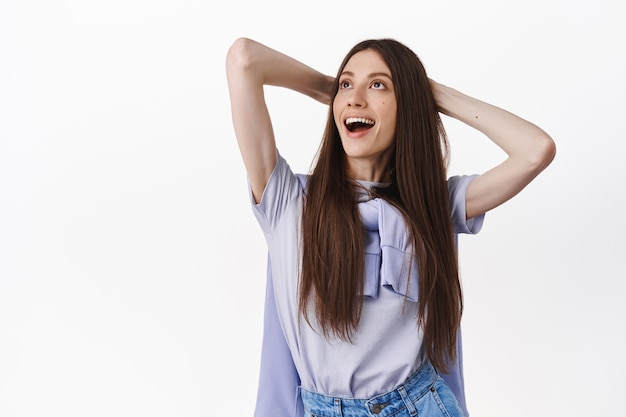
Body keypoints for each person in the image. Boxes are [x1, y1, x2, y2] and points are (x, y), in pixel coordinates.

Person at [225, 37, 555, 417]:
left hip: (420, 406)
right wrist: (325, 88)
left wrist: (433, 94)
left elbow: (536, 150)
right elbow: (243, 58)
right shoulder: (289, 199)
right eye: (347, 84)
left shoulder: (433, 207)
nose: (355, 98)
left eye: (378, 84)